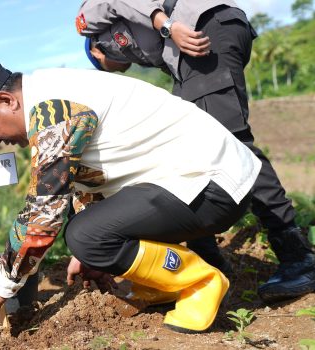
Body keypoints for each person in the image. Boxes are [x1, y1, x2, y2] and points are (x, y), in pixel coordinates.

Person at [0, 60, 261, 332]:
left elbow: (43, 212)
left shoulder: (53, 110)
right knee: (89, 238)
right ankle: (164, 284)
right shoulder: (55, 90)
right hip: (202, 180)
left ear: (7, 100)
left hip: (212, 185)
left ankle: (200, 281)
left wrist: (0, 284)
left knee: (84, 235)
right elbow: (91, 182)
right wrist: (96, 254)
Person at [75, 0, 315, 303]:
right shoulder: (152, 46)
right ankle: (209, 261)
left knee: (230, 146)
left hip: (203, 31)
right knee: (186, 148)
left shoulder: (88, 22)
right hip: (201, 46)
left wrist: (167, 25)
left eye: (112, 65)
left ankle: (297, 257)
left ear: (98, 50)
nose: (124, 65)